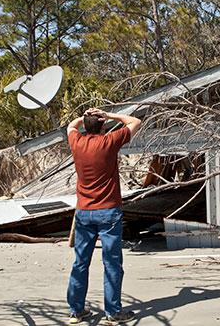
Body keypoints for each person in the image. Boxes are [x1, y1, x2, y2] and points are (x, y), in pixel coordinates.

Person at [65, 107, 141, 324]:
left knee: (81, 262)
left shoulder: (77, 142)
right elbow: (134, 121)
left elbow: (71, 126)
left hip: (84, 212)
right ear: (103, 125)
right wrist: (110, 115)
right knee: (112, 263)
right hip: (108, 211)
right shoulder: (108, 142)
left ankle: (76, 311)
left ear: (86, 126)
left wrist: (85, 117)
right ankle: (113, 312)